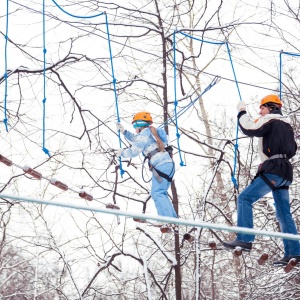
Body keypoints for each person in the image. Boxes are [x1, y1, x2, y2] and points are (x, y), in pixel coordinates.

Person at [223, 94, 300, 265]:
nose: (260, 111)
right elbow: (293, 150)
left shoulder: (270, 120)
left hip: (273, 170)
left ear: (271, 107)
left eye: (262, 108)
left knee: (245, 198)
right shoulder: (287, 126)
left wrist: (242, 112)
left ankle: (245, 238)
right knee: (283, 213)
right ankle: (294, 252)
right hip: (285, 173)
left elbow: (250, 128)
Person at [116, 111, 178, 219]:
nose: (134, 128)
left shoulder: (145, 134)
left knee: (157, 193)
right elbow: (136, 139)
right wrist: (124, 132)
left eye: (134, 125)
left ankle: (166, 220)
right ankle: (172, 219)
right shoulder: (149, 133)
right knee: (161, 192)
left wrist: (123, 153)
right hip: (167, 165)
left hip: (161, 166)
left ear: (139, 125)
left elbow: (135, 150)